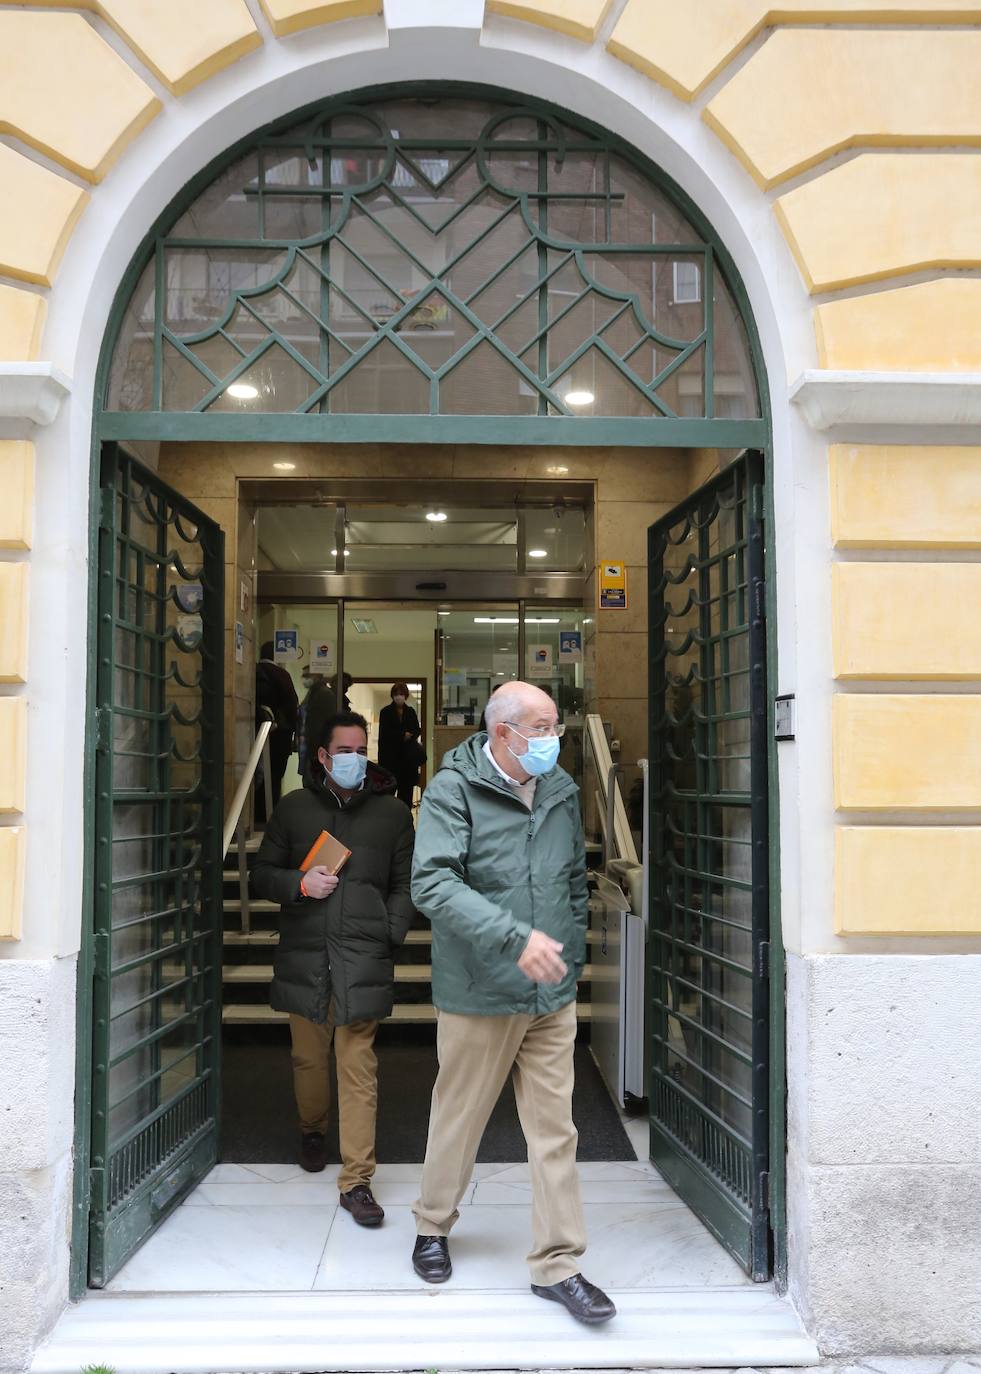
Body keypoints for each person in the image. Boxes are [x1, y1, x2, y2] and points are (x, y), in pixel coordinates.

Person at [409, 682, 615, 1325]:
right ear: (503, 733)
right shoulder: (453, 789)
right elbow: (431, 882)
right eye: (542, 726)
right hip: (479, 991)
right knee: (459, 1118)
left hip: (549, 994)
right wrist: (512, 937)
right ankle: (432, 1225)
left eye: (554, 724)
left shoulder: (559, 789)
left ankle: (559, 1264)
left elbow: (569, 879)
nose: (555, 736)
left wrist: (572, 958)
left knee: (556, 1130)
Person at [251, 710, 415, 1227]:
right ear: (322, 757)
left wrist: (389, 932)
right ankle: (312, 1128)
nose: (354, 758)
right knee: (308, 1058)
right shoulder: (294, 809)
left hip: (362, 955)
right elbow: (261, 874)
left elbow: (406, 885)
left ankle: (358, 1179)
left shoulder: (392, 815)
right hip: (306, 952)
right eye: (344, 750)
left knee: (358, 1066)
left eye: (360, 749)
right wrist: (300, 885)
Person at [255, 641, 299, 823]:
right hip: (281, 734)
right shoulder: (283, 676)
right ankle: (268, 815)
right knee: (274, 777)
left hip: (262, 733)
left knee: (260, 775)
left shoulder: (257, 671)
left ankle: (260, 815)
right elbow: (292, 707)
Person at [377, 681, 423, 808]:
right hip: (390, 762)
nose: (399, 697)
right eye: (396, 694)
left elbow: (416, 730)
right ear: (392, 695)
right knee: (388, 798)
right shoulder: (385, 712)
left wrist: (410, 735)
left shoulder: (411, 711)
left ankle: (405, 823)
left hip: (407, 763)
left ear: (406, 695)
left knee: (406, 798)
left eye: (401, 694)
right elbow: (385, 734)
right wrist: (402, 735)